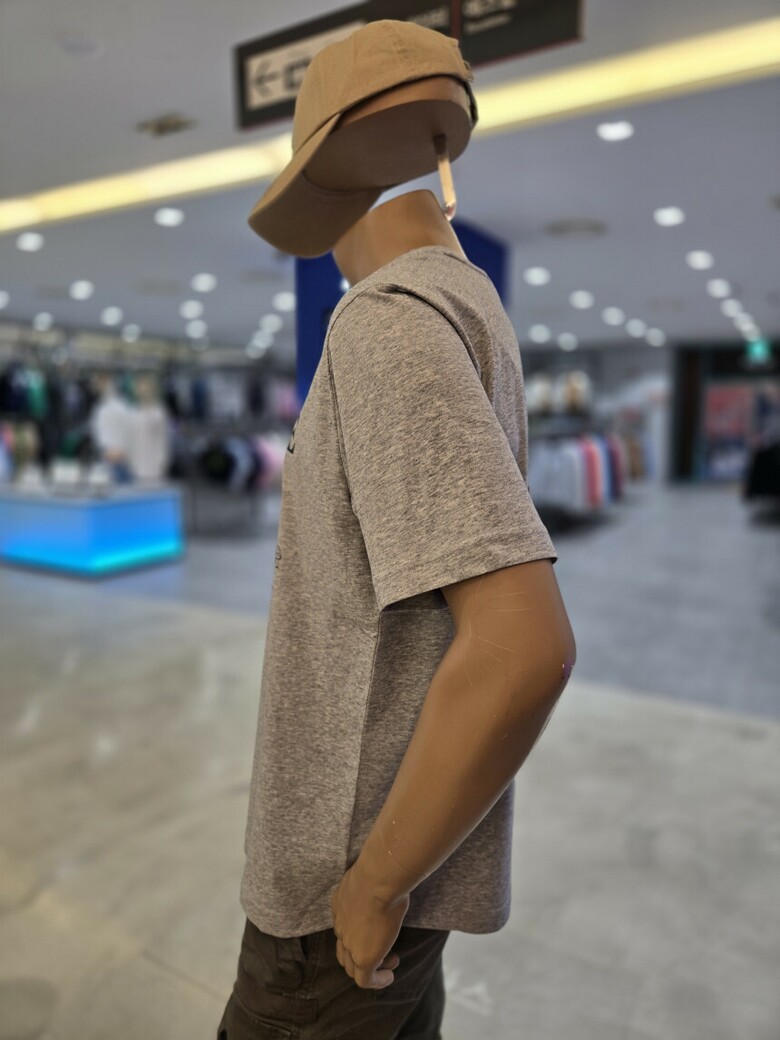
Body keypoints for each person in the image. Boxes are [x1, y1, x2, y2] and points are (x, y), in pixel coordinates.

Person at [218, 20, 576, 1040]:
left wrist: (374, 882)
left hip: (341, 878)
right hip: (395, 857)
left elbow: (522, 647)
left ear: (331, 163)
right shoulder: (468, 309)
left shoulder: (387, 321)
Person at [89, 373, 133, 484]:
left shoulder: (122, 407)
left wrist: (121, 451)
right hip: (106, 461)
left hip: (120, 461)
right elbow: (98, 435)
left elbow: (129, 432)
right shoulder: (100, 409)